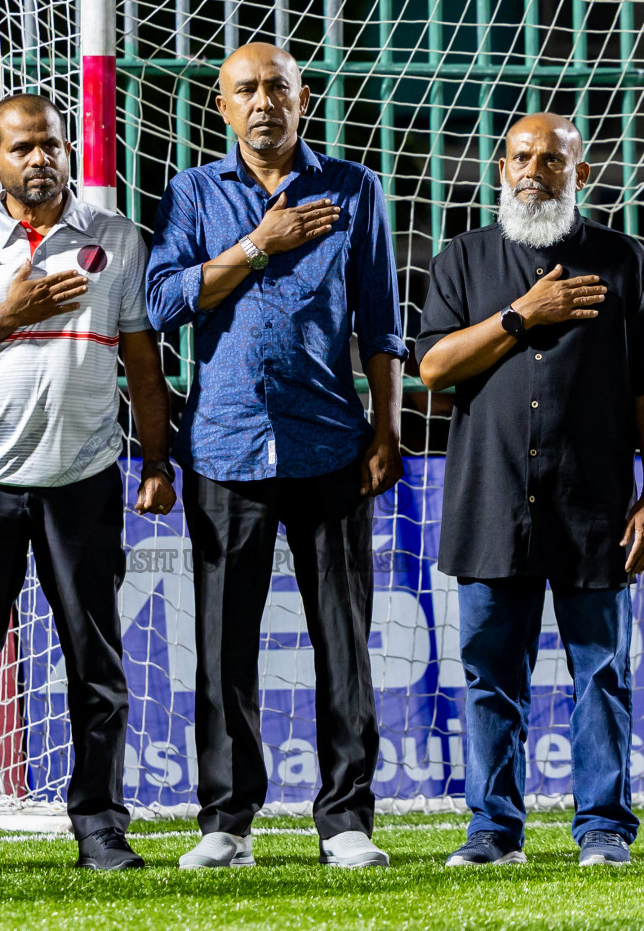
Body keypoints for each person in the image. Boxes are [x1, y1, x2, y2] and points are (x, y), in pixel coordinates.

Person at [146, 42, 407, 869]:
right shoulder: (193, 192)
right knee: (223, 645)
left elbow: (381, 321)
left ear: (304, 97)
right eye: (246, 90)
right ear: (221, 106)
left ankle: (347, 820)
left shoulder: (355, 188)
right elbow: (162, 301)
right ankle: (227, 821)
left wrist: (387, 428)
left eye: (277, 87)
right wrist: (260, 243)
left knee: (345, 640)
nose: (263, 102)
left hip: (330, 444)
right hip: (223, 447)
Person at [416, 113, 644, 868]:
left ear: (581, 173)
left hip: (595, 505)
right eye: (521, 158)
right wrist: (521, 317)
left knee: (602, 672)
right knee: (489, 676)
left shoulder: (625, 260)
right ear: (500, 169)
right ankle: (492, 831)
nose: (533, 172)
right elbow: (434, 369)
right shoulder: (462, 259)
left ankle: (603, 828)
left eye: (551, 160)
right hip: (491, 501)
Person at [0, 93, 175, 873]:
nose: (40, 159)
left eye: (52, 145)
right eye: (23, 147)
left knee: (96, 663)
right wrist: (9, 312)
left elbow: (143, 362)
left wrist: (156, 460)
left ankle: (100, 827)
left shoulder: (117, 238)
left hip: (83, 477)